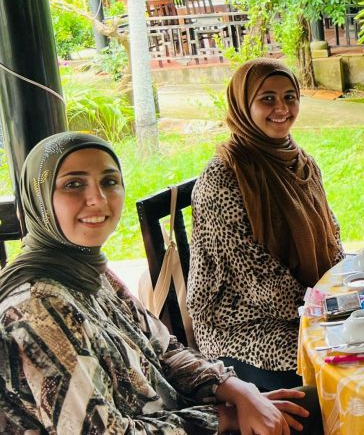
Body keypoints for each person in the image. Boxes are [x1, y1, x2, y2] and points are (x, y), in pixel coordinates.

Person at [0, 132, 308, 433]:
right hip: (192, 421)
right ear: (39, 200)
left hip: (181, 415)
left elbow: (164, 348)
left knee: (321, 406)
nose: (97, 199)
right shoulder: (36, 307)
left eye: (109, 181)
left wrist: (239, 392)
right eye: (73, 184)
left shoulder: (87, 270)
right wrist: (224, 419)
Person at [188, 58, 343, 391]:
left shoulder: (300, 161)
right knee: (341, 357)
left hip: (304, 305)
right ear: (244, 105)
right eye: (267, 98)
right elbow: (257, 282)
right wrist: (330, 306)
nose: (282, 108)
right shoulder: (225, 177)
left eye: (290, 96)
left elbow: (331, 233)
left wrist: (349, 286)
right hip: (241, 325)